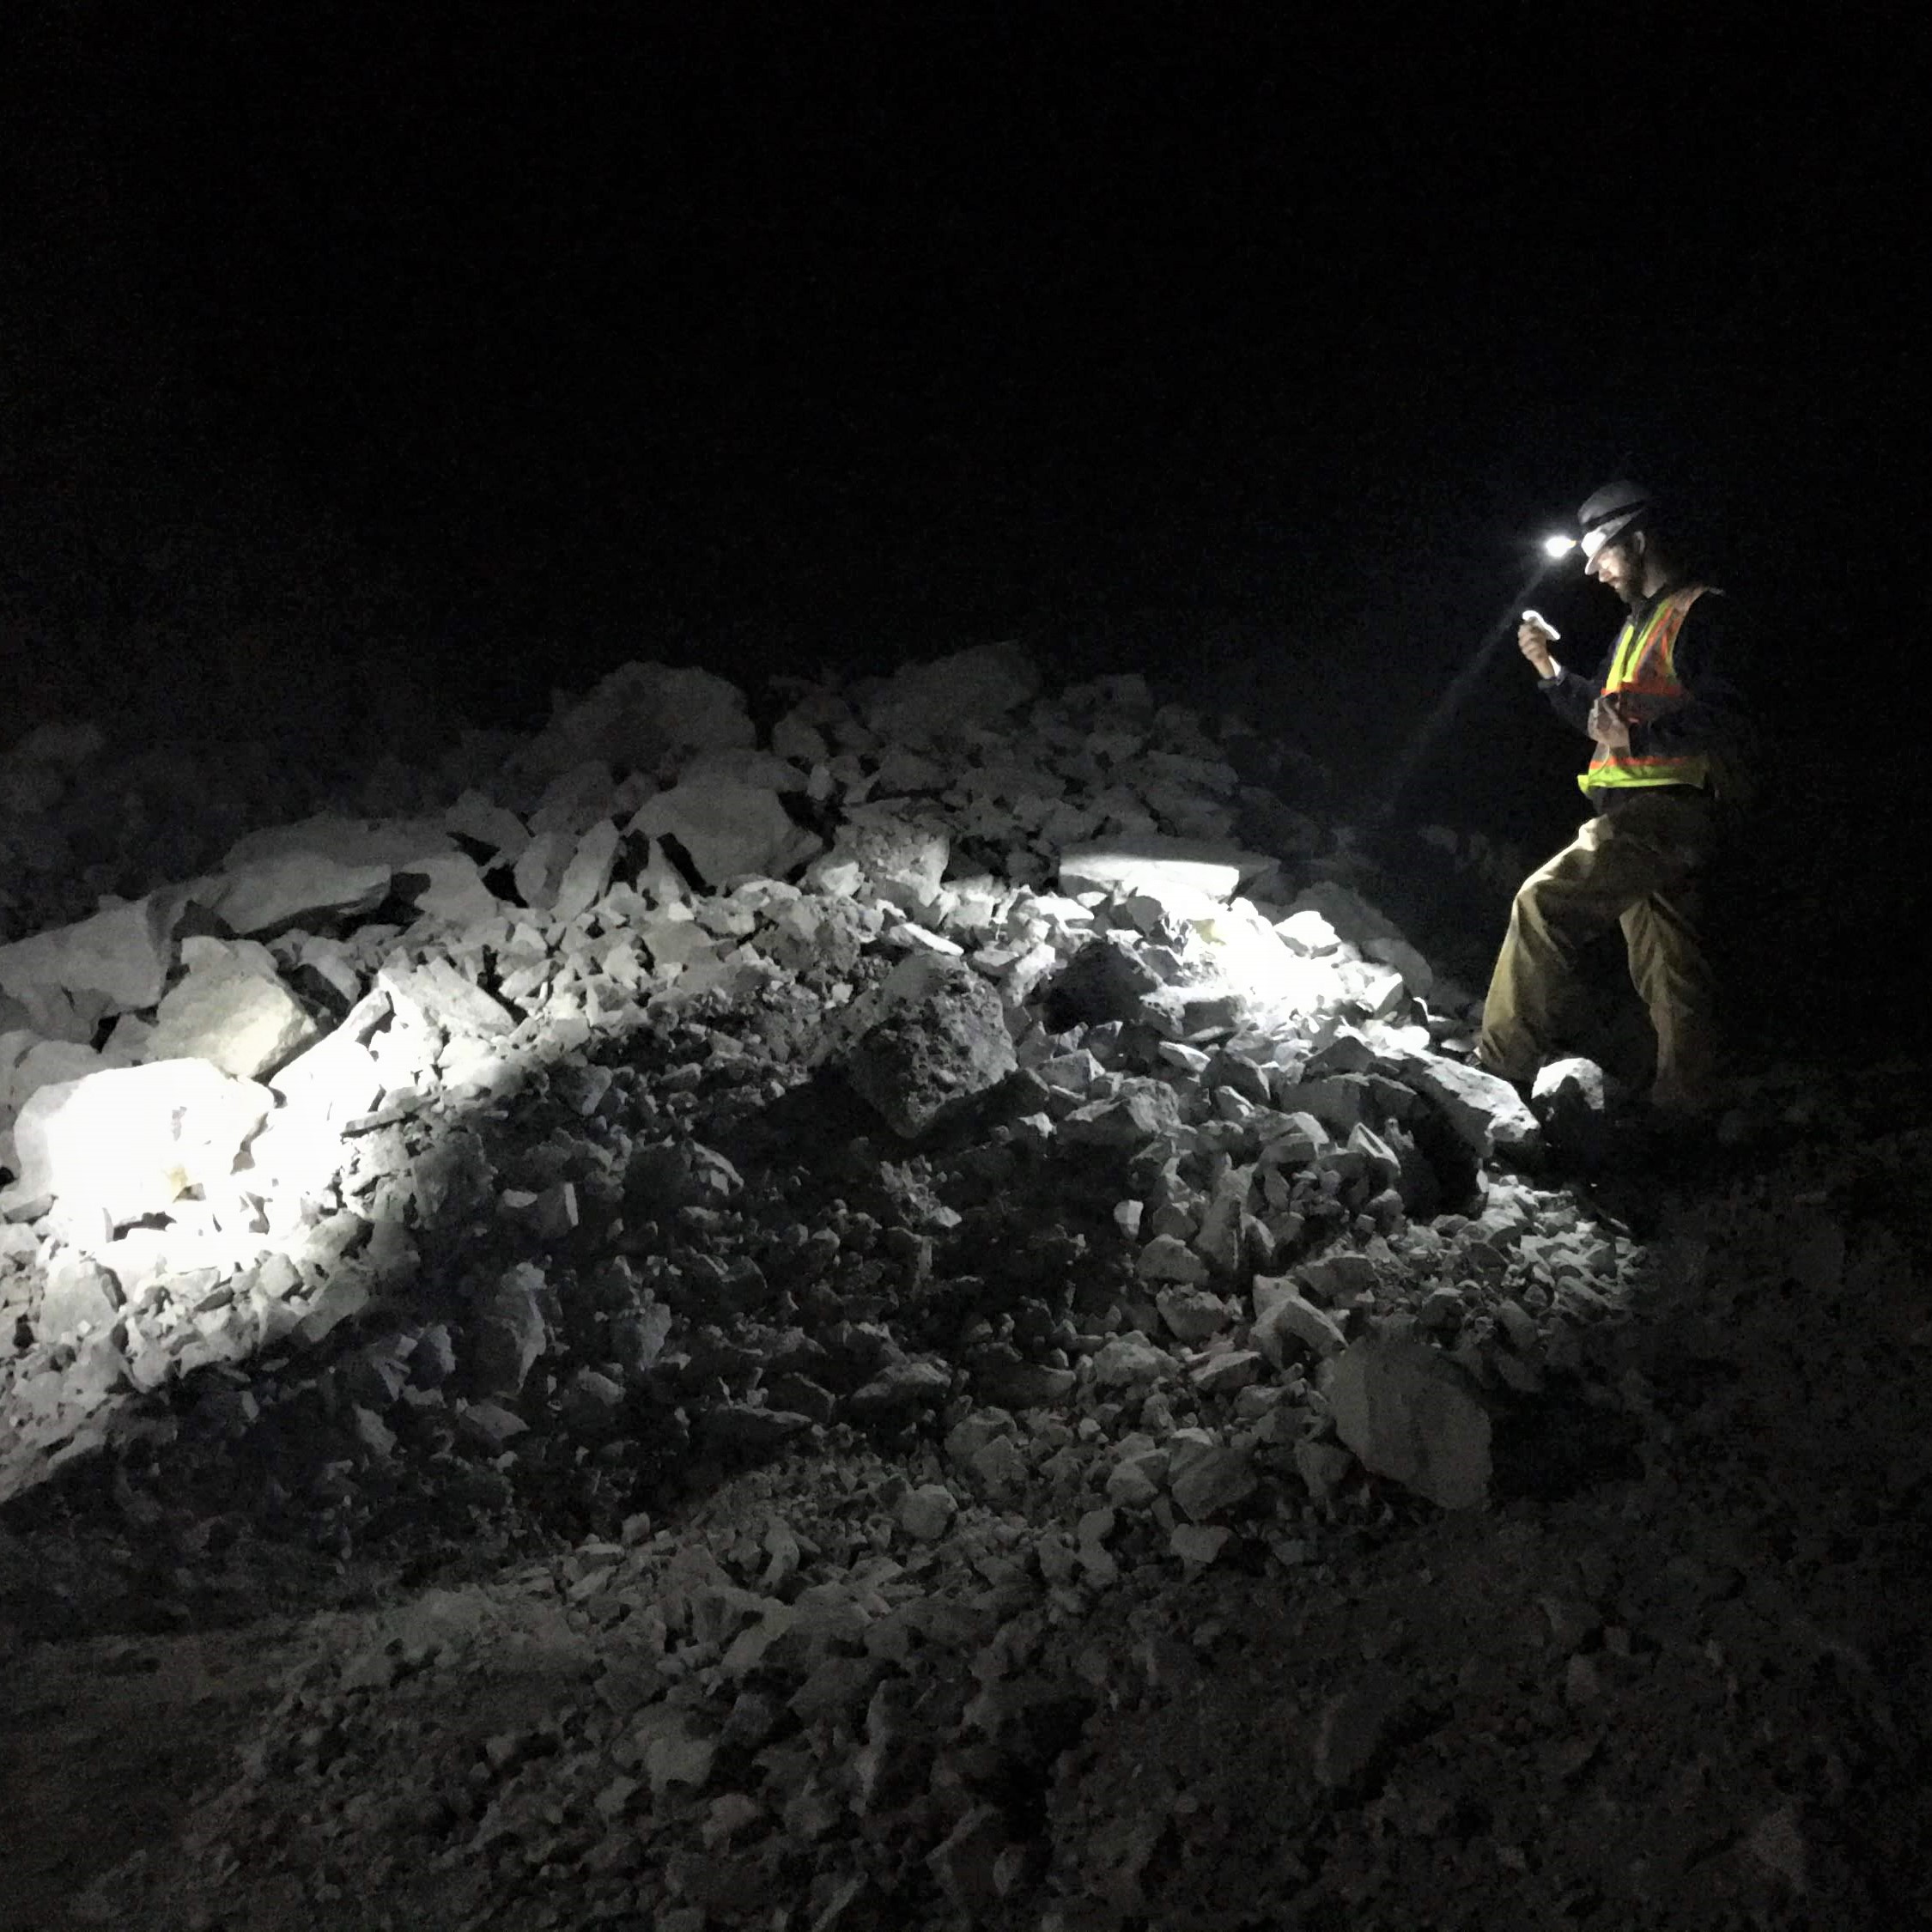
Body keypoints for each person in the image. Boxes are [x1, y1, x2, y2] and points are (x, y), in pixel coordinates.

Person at [1477, 481, 1749, 1124]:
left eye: (1602, 552)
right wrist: (1550, 672)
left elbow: (1732, 711)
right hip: (1644, 813)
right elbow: (1603, 720)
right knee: (1671, 969)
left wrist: (1643, 735)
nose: (1594, 570)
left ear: (1639, 540)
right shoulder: (1639, 623)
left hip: (1665, 811)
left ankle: (1497, 1067)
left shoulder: (1703, 613)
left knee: (1543, 903)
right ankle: (1686, 1115)